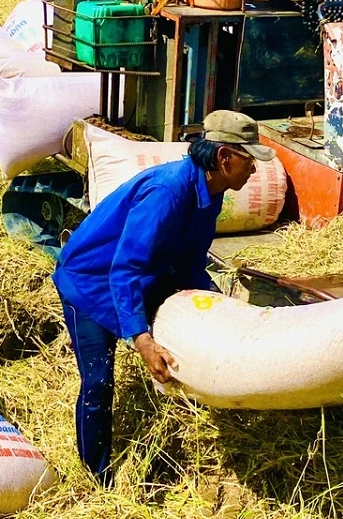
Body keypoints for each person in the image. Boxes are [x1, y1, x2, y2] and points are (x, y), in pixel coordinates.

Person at [52, 110, 274, 486]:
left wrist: (224, 311)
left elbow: (189, 261)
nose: (254, 171)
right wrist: (143, 341)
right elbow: (125, 269)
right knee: (99, 381)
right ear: (224, 158)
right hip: (90, 282)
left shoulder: (211, 193)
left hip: (138, 276)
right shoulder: (168, 191)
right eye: (249, 161)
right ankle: (96, 476)